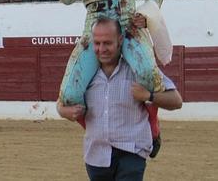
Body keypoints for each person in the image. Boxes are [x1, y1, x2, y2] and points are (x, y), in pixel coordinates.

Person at [57, 17, 182, 180]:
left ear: (120, 40)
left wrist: (148, 95)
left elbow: (176, 100)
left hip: (131, 152)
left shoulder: (138, 69)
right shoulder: (84, 75)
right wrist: (64, 111)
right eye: (97, 43)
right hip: (96, 156)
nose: (101, 49)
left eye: (107, 43)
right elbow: (60, 105)